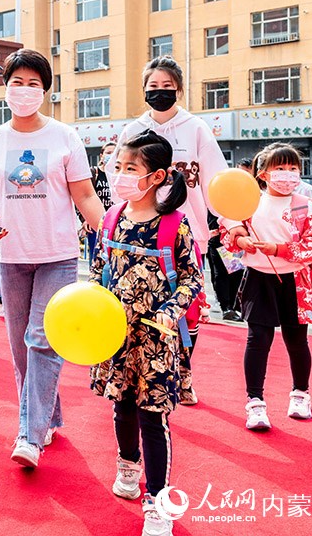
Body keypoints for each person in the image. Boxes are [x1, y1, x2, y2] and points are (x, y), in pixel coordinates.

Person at [0, 48, 105, 468]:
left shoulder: (64, 137)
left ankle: (29, 436)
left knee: (41, 340)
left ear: (45, 91)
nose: (25, 90)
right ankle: (49, 417)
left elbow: (85, 194)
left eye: (34, 84)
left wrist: (113, 235)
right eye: (17, 83)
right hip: (11, 257)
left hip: (58, 255)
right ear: (5, 88)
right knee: (20, 349)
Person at [90, 130, 201, 536]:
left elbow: (192, 279)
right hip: (116, 335)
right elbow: (99, 266)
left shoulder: (175, 225)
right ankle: (127, 464)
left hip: (157, 339)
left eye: (130, 168)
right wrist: (92, 302)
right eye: (118, 166)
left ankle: (157, 501)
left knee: (153, 418)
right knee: (121, 405)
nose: (120, 175)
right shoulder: (112, 217)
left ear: (157, 177)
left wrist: (171, 312)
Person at [110, 56, 227, 406]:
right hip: (140, 236)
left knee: (187, 310)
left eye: (167, 86)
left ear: (178, 89)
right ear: (144, 89)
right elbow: (118, 180)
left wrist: (230, 222)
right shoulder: (133, 130)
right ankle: (142, 375)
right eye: (153, 86)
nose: (159, 92)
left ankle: (183, 371)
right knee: (143, 310)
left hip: (187, 234)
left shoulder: (196, 128)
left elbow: (216, 179)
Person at [222, 143, 312, 431]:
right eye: (280, 168)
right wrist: (239, 239)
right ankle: (255, 403)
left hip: (297, 282)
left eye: (293, 168)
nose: (288, 174)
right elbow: (228, 234)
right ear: (263, 174)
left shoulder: (306, 206)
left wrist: (279, 249)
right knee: (258, 339)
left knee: (297, 340)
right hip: (259, 279)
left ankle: (301, 394)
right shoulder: (248, 204)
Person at [206, 211, 243, 321]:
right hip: (218, 238)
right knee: (222, 273)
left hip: (233, 239)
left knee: (235, 273)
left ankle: (232, 306)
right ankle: (226, 308)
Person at [84, 141, 116, 260]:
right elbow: (83, 196)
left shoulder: (118, 175)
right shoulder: (94, 173)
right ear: (101, 155)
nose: (111, 156)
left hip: (115, 221)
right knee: (96, 256)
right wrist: (85, 218)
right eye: (108, 153)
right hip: (96, 221)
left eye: (114, 153)